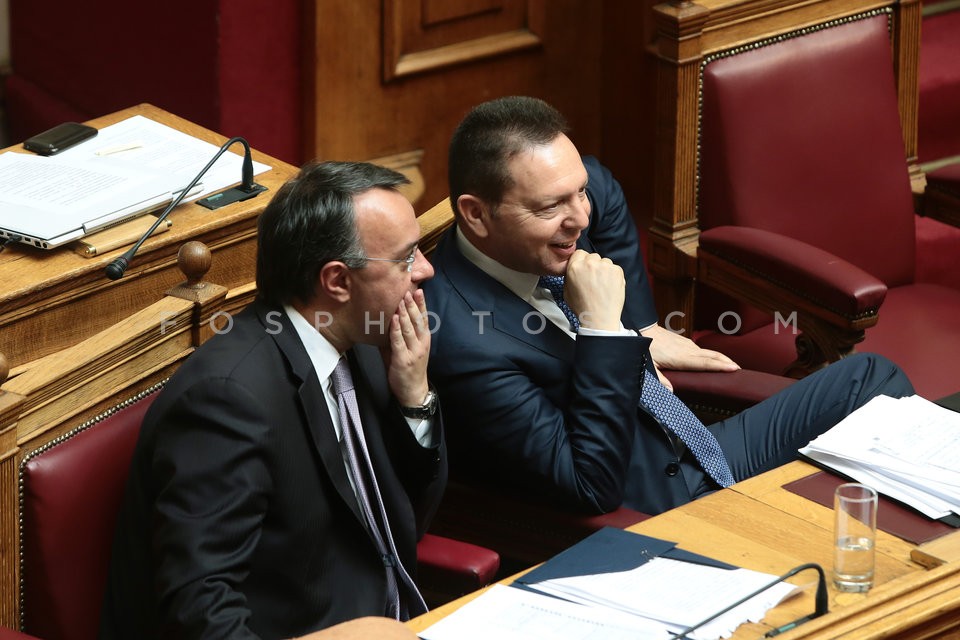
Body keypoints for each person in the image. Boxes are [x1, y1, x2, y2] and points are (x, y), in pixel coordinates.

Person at [423, 95, 913, 516]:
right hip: (653, 507)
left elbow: (604, 188)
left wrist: (641, 325)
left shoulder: (564, 210)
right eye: (552, 206)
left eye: (579, 194)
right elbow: (589, 486)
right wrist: (602, 329)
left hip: (698, 447)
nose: (580, 219)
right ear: (476, 214)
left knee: (870, 378)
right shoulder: (463, 343)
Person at [100, 161, 446, 639]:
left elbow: (405, 524)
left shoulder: (364, 346)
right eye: (406, 258)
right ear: (337, 281)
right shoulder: (227, 400)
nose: (426, 269)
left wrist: (414, 398)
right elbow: (200, 610)